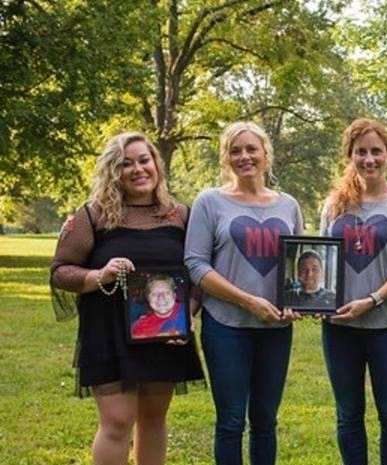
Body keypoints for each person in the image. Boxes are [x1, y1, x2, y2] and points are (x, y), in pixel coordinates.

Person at [50, 132, 204, 465]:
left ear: (156, 165)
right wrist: (98, 275)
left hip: (163, 333)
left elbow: (199, 274)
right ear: (112, 172)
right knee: (117, 422)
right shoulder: (92, 216)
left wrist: (187, 314)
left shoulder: (180, 214)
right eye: (126, 164)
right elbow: (61, 271)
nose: (138, 169)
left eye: (144, 160)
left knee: (153, 419)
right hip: (108, 332)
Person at [184, 121, 303, 465]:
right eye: (235, 151)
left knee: (266, 421)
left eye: (251, 149)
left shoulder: (288, 205)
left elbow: (299, 262)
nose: (244, 156)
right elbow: (196, 264)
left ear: (266, 154)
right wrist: (248, 302)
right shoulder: (210, 202)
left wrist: (295, 301)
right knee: (231, 422)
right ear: (225, 158)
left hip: (276, 329)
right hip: (226, 326)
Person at [319, 118, 387, 465]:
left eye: (376, 151)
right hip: (338, 329)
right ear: (349, 156)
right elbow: (318, 260)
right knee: (348, 414)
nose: (369, 159)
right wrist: (314, 299)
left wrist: (373, 300)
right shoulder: (334, 205)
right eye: (360, 152)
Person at [131, 274, 188, 339]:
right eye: (154, 294)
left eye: (166, 292)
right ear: (148, 299)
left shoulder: (186, 313)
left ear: (174, 296)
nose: (161, 297)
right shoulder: (138, 326)